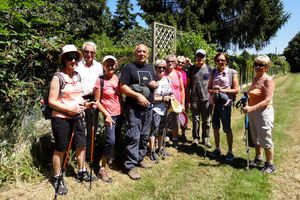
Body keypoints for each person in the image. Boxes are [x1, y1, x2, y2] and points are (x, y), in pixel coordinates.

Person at [48, 44, 95, 195]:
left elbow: (77, 97)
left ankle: (81, 171)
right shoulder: (58, 77)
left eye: (75, 57)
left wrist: (86, 104)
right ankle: (57, 177)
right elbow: (51, 101)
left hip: (78, 116)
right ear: (64, 60)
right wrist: (69, 109)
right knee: (61, 148)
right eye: (69, 58)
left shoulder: (77, 76)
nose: (73, 61)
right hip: (61, 118)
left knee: (81, 144)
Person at [120, 43, 158, 180]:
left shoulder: (150, 67)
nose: (141, 54)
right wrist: (137, 95)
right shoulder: (129, 67)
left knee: (144, 135)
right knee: (133, 136)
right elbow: (123, 87)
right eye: (139, 51)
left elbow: (153, 83)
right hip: (133, 109)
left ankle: (140, 158)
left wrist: (156, 84)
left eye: (144, 52)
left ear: (147, 54)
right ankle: (130, 165)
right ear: (135, 53)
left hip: (148, 108)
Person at [242, 55, 276, 173]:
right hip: (253, 112)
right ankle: (258, 158)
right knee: (255, 137)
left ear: (266, 67)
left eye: (261, 65)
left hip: (263, 113)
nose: (257, 67)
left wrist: (252, 108)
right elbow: (254, 93)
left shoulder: (268, 80)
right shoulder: (256, 78)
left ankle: (270, 164)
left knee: (265, 137)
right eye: (255, 64)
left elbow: (267, 99)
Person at [94, 55, 122, 183]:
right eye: (107, 64)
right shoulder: (99, 80)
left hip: (119, 113)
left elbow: (120, 97)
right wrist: (107, 114)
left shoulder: (118, 78)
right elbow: (97, 101)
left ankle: (113, 158)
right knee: (110, 140)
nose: (110, 66)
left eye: (112, 64)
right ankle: (102, 168)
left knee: (116, 140)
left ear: (115, 65)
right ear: (103, 65)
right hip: (109, 115)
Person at [208, 52, 239, 161]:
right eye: (218, 60)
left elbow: (236, 90)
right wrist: (213, 91)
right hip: (215, 103)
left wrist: (222, 90)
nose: (220, 62)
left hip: (225, 105)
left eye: (222, 60)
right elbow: (209, 88)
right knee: (215, 127)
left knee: (226, 128)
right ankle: (217, 149)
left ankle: (230, 151)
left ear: (226, 61)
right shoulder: (213, 72)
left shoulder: (232, 72)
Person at [75, 41, 103, 161]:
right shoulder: (76, 65)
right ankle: (78, 155)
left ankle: (89, 155)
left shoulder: (99, 66)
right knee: (79, 128)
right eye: (86, 51)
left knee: (92, 128)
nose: (89, 54)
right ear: (82, 52)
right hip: (79, 99)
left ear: (95, 53)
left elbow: (101, 83)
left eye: (92, 52)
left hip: (93, 99)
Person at [187, 49, 212, 147]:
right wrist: (188, 99)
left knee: (206, 120)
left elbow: (212, 83)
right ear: (196, 57)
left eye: (202, 56)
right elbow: (188, 85)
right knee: (195, 119)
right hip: (194, 99)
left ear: (205, 57)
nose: (200, 58)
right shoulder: (191, 69)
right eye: (198, 56)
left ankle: (206, 138)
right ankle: (195, 138)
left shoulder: (210, 69)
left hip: (206, 98)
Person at [149, 59, 173, 162]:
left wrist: (171, 96)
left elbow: (170, 92)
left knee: (162, 130)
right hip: (155, 109)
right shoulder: (153, 81)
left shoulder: (167, 79)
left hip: (165, 109)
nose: (162, 69)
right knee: (153, 131)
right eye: (159, 67)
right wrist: (163, 98)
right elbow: (151, 98)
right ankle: (152, 151)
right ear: (155, 68)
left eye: (164, 67)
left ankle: (160, 149)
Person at [165, 54, 185, 148]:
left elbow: (182, 89)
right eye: (168, 61)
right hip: (164, 102)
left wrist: (182, 103)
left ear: (175, 63)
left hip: (176, 103)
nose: (170, 63)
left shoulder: (178, 73)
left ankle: (175, 139)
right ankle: (164, 138)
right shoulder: (162, 72)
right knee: (164, 121)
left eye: (172, 61)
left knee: (175, 121)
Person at [176, 56, 188, 142]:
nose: (180, 64)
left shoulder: (185, 73)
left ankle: (183, 134)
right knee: (173, 117)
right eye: (178, 62)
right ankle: (174, 135)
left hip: (184, 97)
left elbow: (187, 87)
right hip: (175, 97)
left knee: (183, 116)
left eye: (182, 62)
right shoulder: (172, 71)